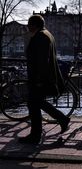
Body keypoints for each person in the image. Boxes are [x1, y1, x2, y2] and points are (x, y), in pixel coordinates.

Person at [18, 14, 70, 145]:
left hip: (39, 78)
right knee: (37, 103)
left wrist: (39, 79)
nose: (28, 27)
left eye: (29, 24)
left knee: (34, 104)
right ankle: (61, 120)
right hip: (43, 77)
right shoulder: (48, 34)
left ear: (34, 25)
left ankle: (35, 135)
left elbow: (42, 60)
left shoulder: (40, 37)